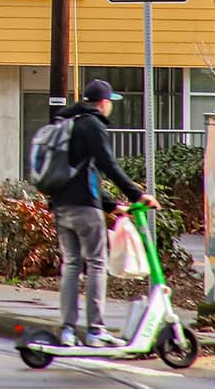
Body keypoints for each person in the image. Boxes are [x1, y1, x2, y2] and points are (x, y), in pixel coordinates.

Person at [49, 79, 159, 348]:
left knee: (72, 265)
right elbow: (106, 165)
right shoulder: (92, 125)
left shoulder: (64, 123)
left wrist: (111, 205)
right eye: (110, 102)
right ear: (104, 103)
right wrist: (136, 194)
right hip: (86, 208)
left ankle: (67, 331)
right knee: (97, 263)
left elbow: (82, 171)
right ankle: (96, 330)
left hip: (60, 206)